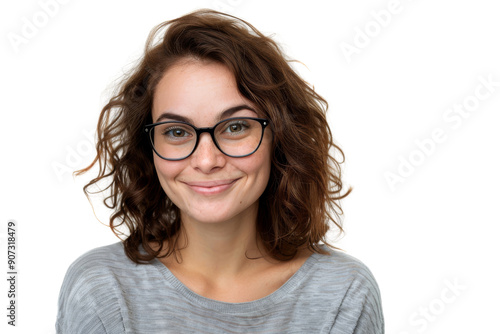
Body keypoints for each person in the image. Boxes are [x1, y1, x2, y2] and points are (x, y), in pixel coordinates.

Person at [56, 9, 384, 334]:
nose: (206, 160)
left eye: (236, 126)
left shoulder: (343, 295)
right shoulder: (101, 290)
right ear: (149, 147)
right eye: (176, 131)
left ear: (279, 139)